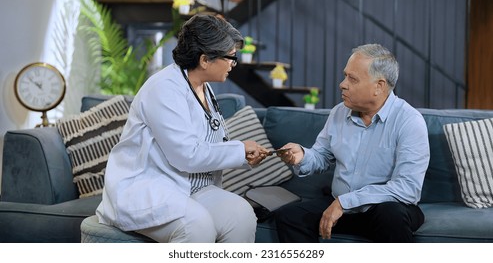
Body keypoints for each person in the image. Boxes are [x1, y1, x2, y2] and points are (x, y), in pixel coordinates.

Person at [96, 14, 269, 243]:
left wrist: (244, 155)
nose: (232, 64)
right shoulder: (164, 88)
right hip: (150, 186)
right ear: (205, 60)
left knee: (241, 215)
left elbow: (209, 144)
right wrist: (239, 150)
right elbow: (186, 155)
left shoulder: (202, 87)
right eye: (230, 58)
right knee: (197, 226)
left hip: (190, 186)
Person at [275, 43, 430, 243]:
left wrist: (344, 202)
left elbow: (407, 188)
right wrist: (302, 156)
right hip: (341, 204)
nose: (342, 84)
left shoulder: (409, 121)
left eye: (352, 79)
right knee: (289, 217)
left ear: (379, 86)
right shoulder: (339, 112)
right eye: (345, 75)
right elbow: (321, 156)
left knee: (391, 217)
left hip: (384, 208)